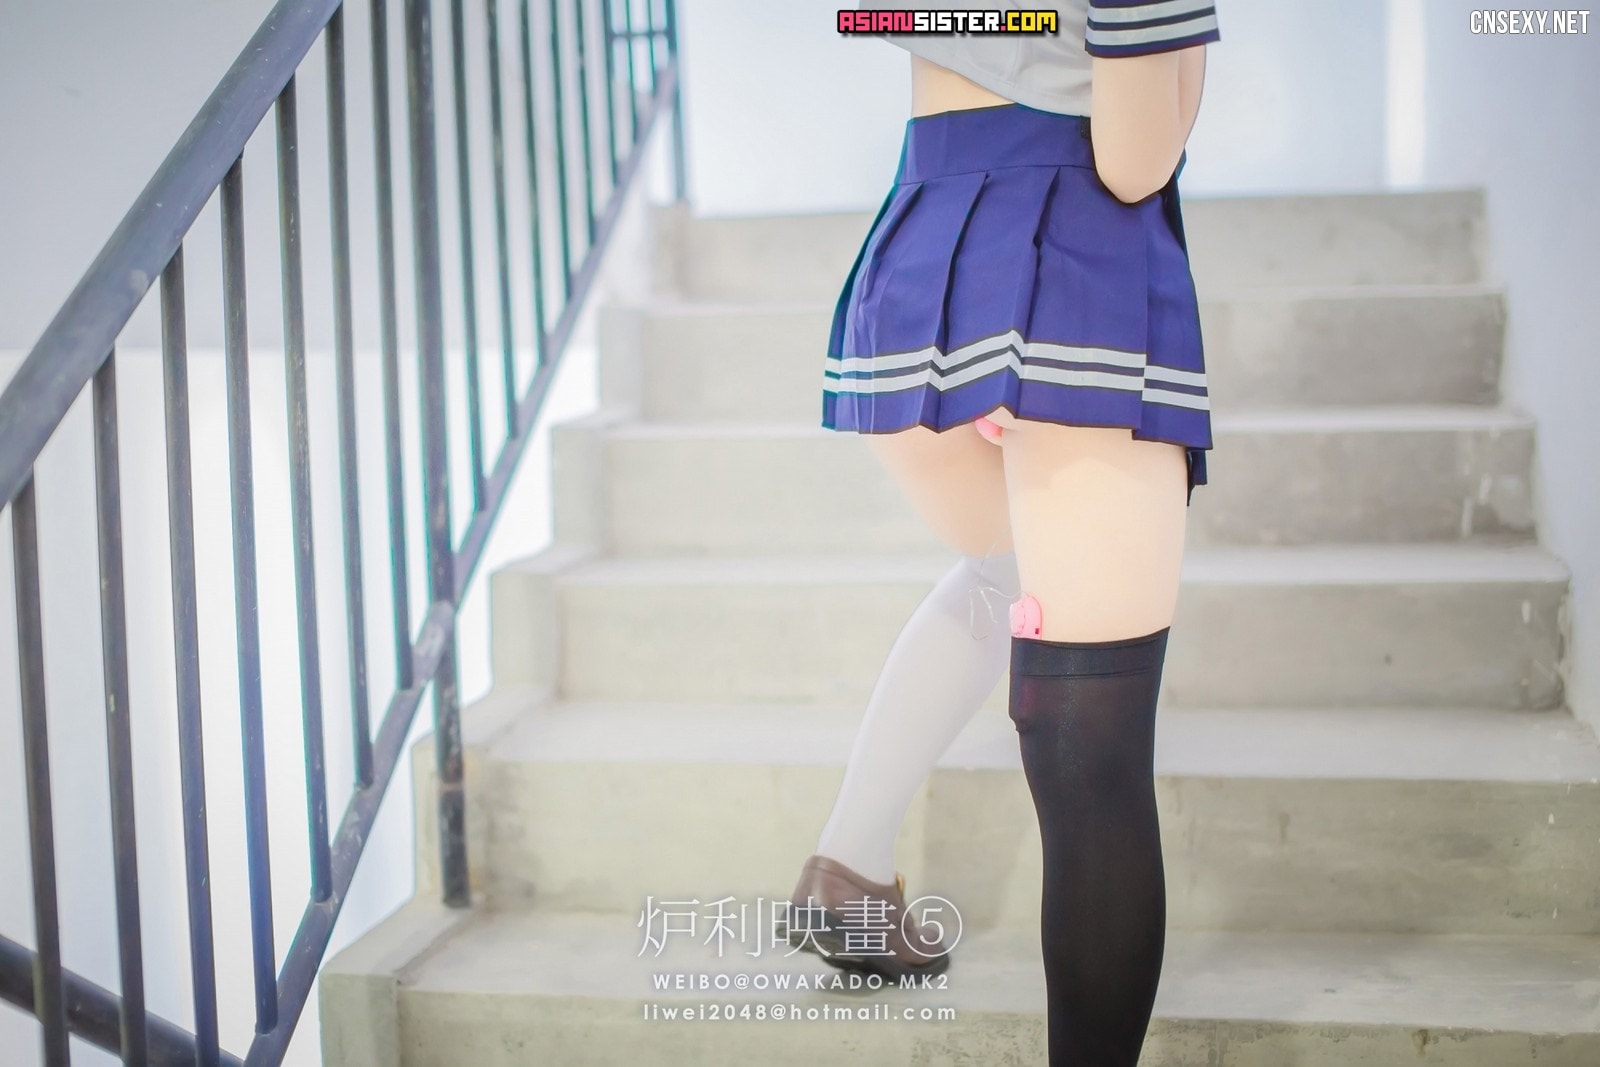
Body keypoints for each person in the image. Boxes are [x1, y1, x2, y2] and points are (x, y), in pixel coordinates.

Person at [786, 1, 1220, 1062]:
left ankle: (850, 861)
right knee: (1089, 740)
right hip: (1072, 257)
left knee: (1008, 572)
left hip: (919, 252)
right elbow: (1134, 160)